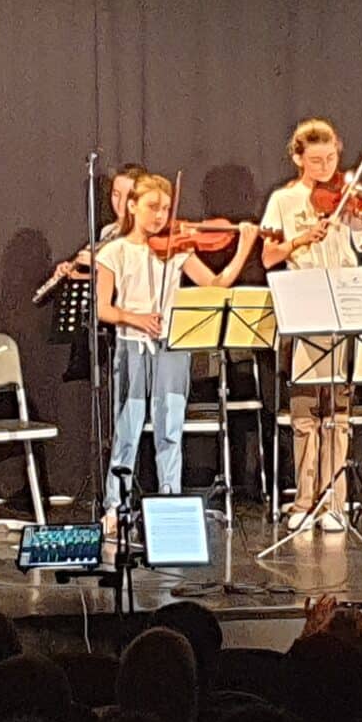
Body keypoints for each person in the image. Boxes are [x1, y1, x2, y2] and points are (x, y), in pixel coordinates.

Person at [260, 118, 362, 533]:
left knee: (338, 410)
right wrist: (302, 239)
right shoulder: (283, 200)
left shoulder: (349, 200)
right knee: (307, 410)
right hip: (304, 299)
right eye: (315, 160)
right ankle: (303, 500)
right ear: (298, 158)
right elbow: (269, 257)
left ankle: (335, 501)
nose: (325, 167)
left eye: (331, 158)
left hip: (344, 300)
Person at [94, 173, 256, 529]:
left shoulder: (178, 249)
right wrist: (134, 318)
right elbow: (102, 308)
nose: (160, 216)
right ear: (132, 206)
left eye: (166, 209)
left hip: (172, 344)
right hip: (131, 345)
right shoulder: (114, 251)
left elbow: (215, 285)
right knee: (128, 427)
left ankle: (169, 497)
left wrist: (244, 248)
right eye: (152, 207)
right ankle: (115, 504)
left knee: (170, 427)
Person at [46, 162, 144, 383]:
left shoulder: (143, 233)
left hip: (136, 321)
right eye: (115, 194)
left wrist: (96, 264)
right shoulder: (108, 231)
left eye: (127, 195)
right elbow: (105, 281)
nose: (119, 203)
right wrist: (77, 275)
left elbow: (133, 278)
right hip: (110, 325)